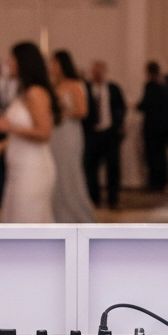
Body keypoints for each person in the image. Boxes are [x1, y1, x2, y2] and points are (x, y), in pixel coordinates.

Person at [0, 42, 58, 223]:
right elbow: (21, 131)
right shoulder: (23, 92)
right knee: (14, 219)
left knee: (27, 223)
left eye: (11, 59)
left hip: (33, 169)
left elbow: (44, 133)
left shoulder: (36, 92)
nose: (7, 63)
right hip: (18, 168)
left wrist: (10, 127)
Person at [50, 50, 95, 222]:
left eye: (54, 63)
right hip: (55, 135)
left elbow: (83, 111)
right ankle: (59, 217)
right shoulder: (53, 85)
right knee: (56, 174)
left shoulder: (75, 84)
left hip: (69, 134)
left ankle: (80, 217)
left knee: (70, 173)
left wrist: (62, 111)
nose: (52, 67)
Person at [83, 61, 126, 209]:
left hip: (110, 133)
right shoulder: (86, 88)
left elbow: (121, 106)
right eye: (93, 71)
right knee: (91, 167)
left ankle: (113, 199)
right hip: (92, 133)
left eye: (98, 71)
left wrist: (119, 125)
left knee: (113, 166)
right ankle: (94, 198)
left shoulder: (113, 88)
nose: (96, 74)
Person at [137, 62, 168, 191]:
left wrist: (136, 106)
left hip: (152, 127)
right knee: (161, 156)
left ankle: (155, 183)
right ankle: (161, 181)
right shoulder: (165, 85)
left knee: (153, 156)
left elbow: (146, 104)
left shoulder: (151, 86)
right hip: (163, 127)